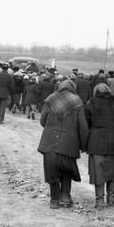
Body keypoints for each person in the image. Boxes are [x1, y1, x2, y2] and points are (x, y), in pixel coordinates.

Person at [37, 80, 89, 209]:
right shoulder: (77, 101)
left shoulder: (50, 99)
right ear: (73, 88)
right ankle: (65, 197)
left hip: (49, 141)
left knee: (52, 170)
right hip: (69, 142)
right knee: (66, 169)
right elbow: (83, 126)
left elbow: (43, 121)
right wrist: (84, 145)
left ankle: (54, 200)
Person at [85, 83, 114, 208]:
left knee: (98, 171)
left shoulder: (91, 103)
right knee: (113, 171)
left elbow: (87, 124)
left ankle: (99, 200)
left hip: (96, 142)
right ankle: (111, 199)